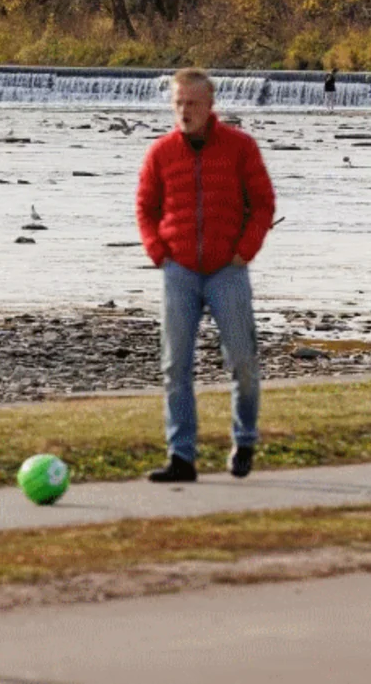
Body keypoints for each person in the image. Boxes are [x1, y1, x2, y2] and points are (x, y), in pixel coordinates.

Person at [136, 69, 277, 483]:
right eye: (178, 103)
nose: (185, 111)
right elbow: (146, 207)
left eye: (192, 103)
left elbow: (264, 203)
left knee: (243, 362)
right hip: (178, 269)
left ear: (210, 105)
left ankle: (245, 440)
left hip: (227, 271)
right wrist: (157, 251)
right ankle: (181, 456)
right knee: (174, 366)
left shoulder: (239, 148)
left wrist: (244, 250)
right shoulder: (160, 153)